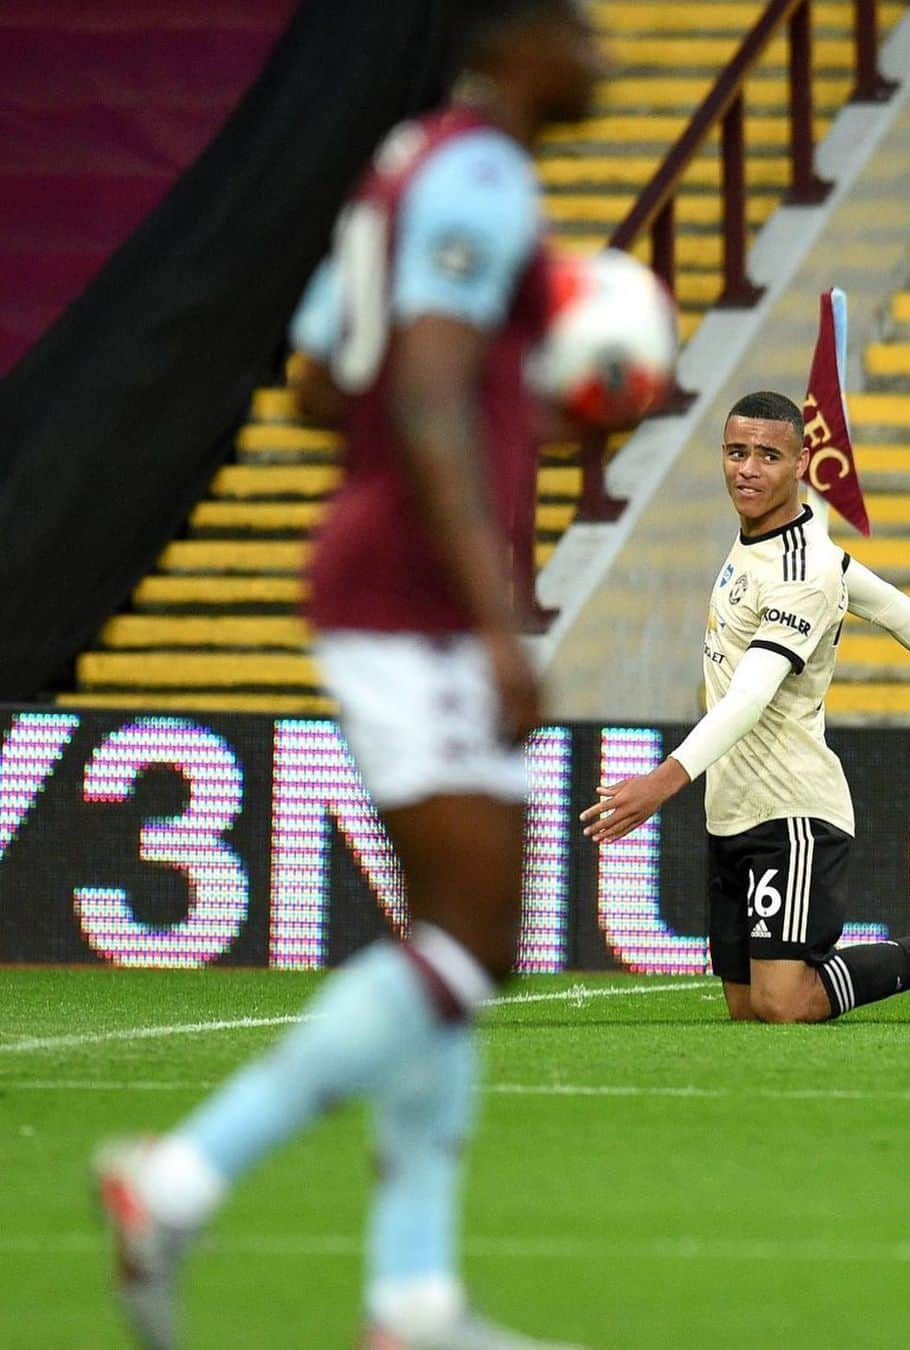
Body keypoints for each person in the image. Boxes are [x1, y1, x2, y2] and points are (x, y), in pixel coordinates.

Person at [96, 4, 606, 1348]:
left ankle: (413, 1297)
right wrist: (500, 615)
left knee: (446, 938)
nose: (606, 57)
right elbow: (420, 388)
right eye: (587, 29)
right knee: (478, 943)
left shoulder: (402, 160)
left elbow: (327, 376)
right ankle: (182, 1174)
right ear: (525, 40)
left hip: (381, 573)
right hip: (419, 598)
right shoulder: (485, 175)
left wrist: (504, 392)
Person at [581, 390, 910, 1027]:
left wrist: (661, 783)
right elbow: (888, 605)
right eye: (736, 452)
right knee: (748, 1005)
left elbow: (751, 696)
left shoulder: (801, 571)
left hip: (791, 808)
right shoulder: (781, 541)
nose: (747, 468)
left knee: (785, 1002)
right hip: (733, 806)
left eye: (768, 455)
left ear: (802, 461)